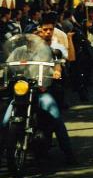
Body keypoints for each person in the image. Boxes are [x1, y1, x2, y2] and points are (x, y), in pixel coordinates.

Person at [1, 14, 77, 165]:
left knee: (56, 117)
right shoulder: (19, 51)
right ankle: (5, 151)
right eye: (31, 35)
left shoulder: (49, 50)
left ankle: (69, 153)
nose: (34, 38)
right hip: (22, 91)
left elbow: (57, 63)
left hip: (40, 90)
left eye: (36, 35)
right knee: (4, 121)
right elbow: (8, 66)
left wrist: (57, 71)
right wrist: (4, 75)